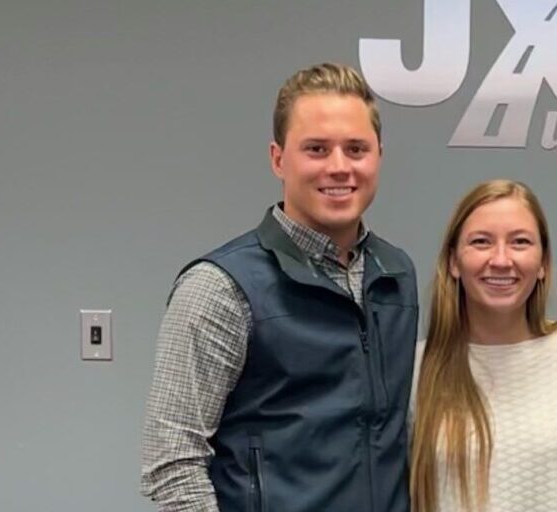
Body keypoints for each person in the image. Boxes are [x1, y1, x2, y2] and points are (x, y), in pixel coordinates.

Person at [140, 62, 418, 512]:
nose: (339, 167)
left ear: (379, 156)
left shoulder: (395, 274)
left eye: (356, 149)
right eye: (316, 148)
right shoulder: (220, 287)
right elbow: (172, 463)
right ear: (278, 159)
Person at [409, 179, 557, 512]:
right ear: (453, 261)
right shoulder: (415, 369)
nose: (501, 259)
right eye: (481, 242)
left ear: (543, 264)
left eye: (520, 242)